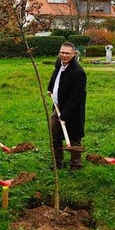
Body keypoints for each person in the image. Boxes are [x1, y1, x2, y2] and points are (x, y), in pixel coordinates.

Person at [47, 42, 87, 171]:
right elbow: (55, 76)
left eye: (67, 53)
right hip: (58, 106)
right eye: (62, 52)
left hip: (73, 111)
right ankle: (57, 163)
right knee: (55, 135)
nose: (64, 55)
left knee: (74, 137)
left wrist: (65, 115)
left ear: (74, 54)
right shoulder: (59, 63)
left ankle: (76, 165)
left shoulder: (78, 72)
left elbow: (76, 97)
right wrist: (50, 88)